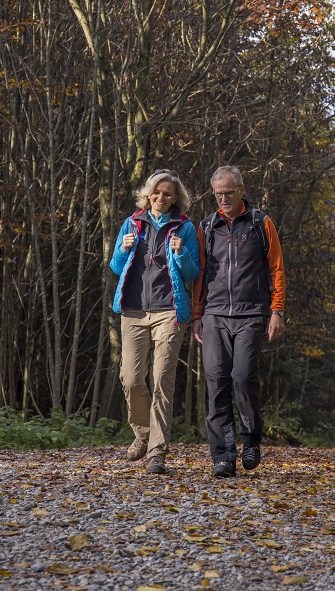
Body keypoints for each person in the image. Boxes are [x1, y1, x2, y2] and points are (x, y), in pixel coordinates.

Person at [192, 165, 286, 478]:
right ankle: (223, 456)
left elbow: (276, 269)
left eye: (228, 193)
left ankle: (251, 440)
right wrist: (196, 315)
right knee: (216, 382)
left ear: (241, 190)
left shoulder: (261, 222)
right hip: (214, 314)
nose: (223, 198)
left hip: (251, 314)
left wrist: (277, 310)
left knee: (243, 377)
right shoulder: (206, 227)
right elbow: (200, 274)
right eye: (218, 194)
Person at [110, 170, 199, 475]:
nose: (161, 198)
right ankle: (143, 434)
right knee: (131, 379)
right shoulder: (132, 223)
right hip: (133, 311)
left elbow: (192, 273)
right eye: (156, 193)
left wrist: (181, 253)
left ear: (176, 198)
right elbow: (115, 266)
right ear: (148, 195)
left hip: (169, 312)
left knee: (162, 381)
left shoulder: (184, 227)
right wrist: (123, 248)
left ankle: (157, 452)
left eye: (168, 194)